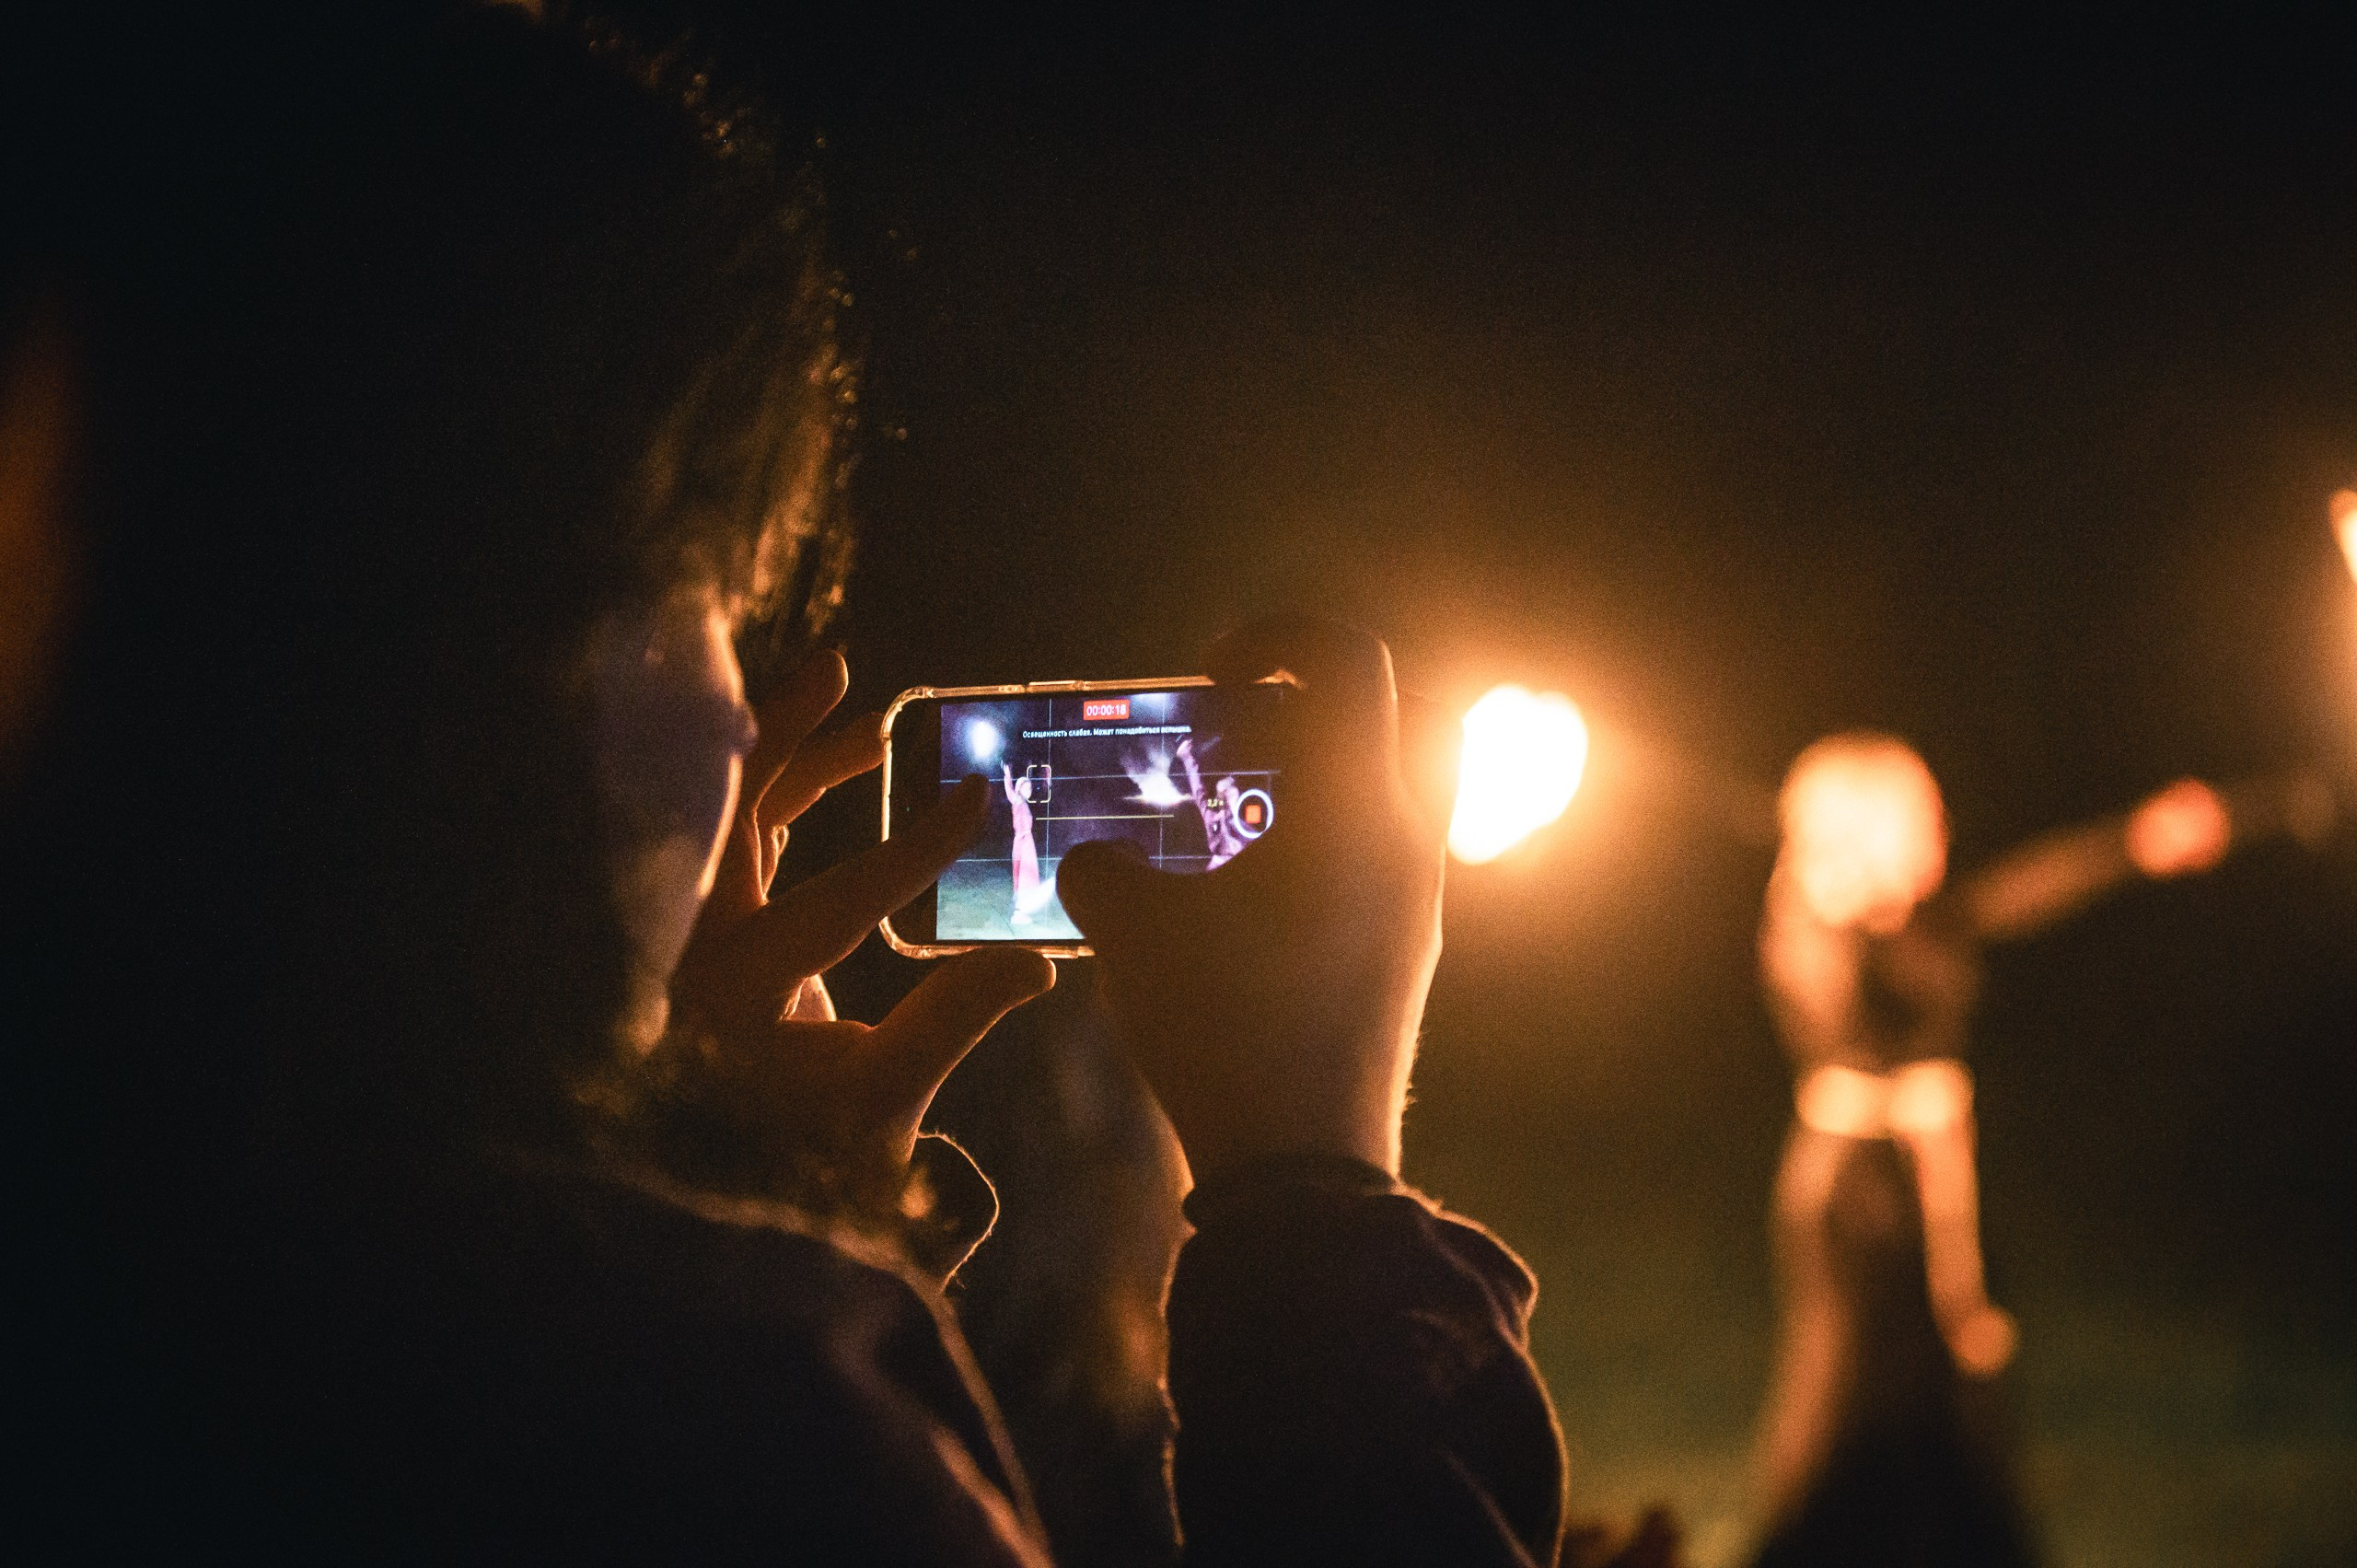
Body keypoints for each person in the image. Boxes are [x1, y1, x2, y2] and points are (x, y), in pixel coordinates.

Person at [7, 6, 1579, 1561]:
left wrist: (744, 1186)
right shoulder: (701, 1427)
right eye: (704, 575)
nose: (749, 725)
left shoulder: (114, 1264)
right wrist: (1311, 1193)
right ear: (477, 623)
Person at [1747, 733, 2327, 1566]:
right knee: (1849, 1393)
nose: (1938, 826)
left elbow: (2036, 884)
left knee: (1955, 1387)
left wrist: (2138, 840)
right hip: (1853, 1193)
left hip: (1925, 1178)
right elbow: (1835, 1004)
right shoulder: (1808, 922)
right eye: (1919, 812)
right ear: (1868, 827)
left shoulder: (1930, 913)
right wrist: (1837, 906)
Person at [1004, 758, 1045, 925]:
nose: (1029, 790)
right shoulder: (1018, 800)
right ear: (1019, 788)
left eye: (1030, 787)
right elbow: (1010, 793)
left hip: (1026, 842)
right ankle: (1019, 914)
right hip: (1022, 842)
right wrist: (1008, 775)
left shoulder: (1024, 803)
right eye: (1026, 787)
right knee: (1024, 878)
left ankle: (1021, 912)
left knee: (1027, 877)